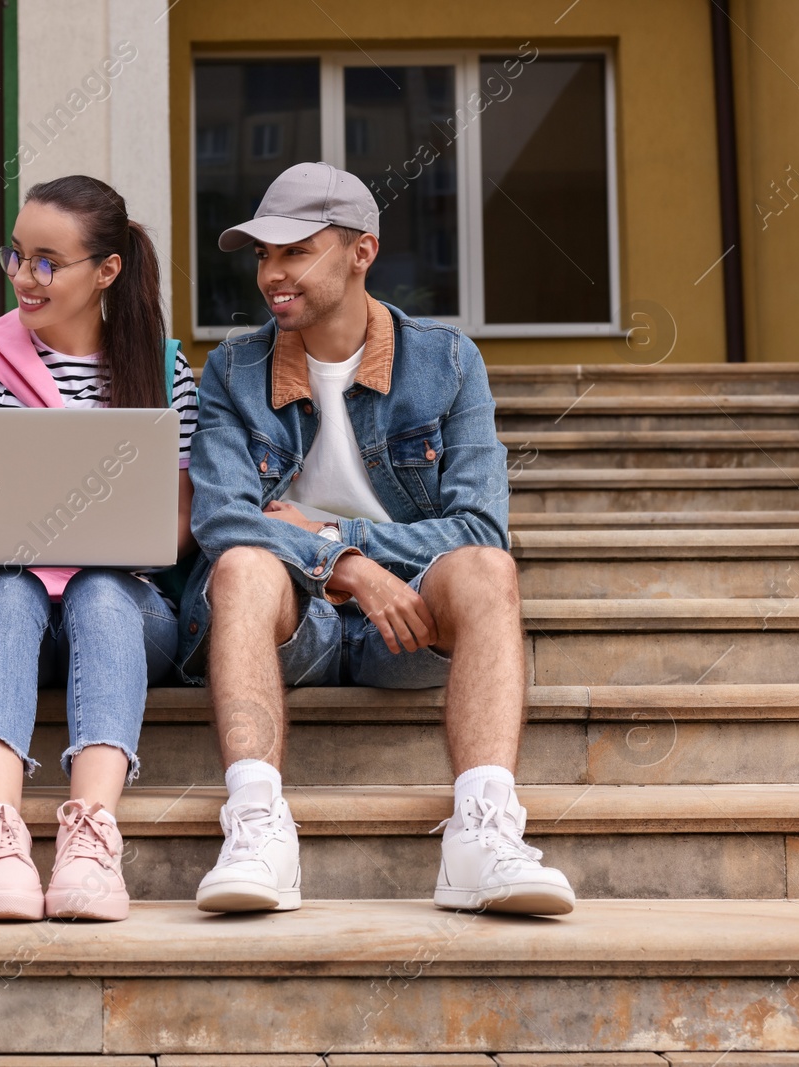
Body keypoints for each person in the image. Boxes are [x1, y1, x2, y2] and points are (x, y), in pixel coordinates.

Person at [181, 162, 575, 916]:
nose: (271, 274)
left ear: (362, 252)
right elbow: (223, 518)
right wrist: (347, 566)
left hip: (411, 624)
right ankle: (258, 826)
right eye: (263, 255)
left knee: (487, 568)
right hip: (295, 619)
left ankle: (483, 829)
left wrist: (334, 532)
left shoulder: (447, 363)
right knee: (238, 565)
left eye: (294, 251)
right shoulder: (233, 369)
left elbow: (480, 525)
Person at [0, 175, 197, 922]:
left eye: (48, 261)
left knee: (99, 586)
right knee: (8, 585)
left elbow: (179, 533)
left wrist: (114, 529)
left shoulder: (161, 373)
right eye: (17, 255)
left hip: (121, 609)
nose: (26, 277)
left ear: (107, 270)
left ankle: (92, 837)